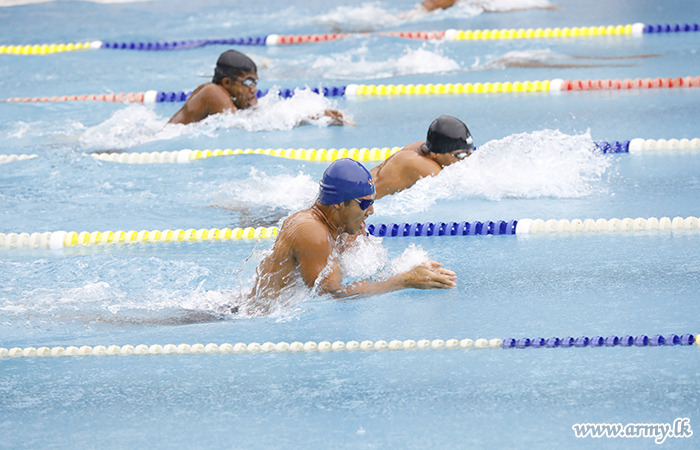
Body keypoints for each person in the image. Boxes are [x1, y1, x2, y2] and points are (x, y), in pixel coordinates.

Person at [245, 158, 456, 313]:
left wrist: (409, 267)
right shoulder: (310, 231)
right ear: (338, 203)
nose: (371, 211)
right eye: (364, 204)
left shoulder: (344, 228)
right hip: (246, 317)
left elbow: (367, 274)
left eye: (372, 202)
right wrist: (404, 280)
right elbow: (331, 294)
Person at [169, 49, 353, 125]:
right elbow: (243, 125)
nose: (254, 89)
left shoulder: (232, 97)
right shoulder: (213, 92)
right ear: (227, 83)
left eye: (255, 82)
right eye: (248, 82)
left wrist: (316, 115)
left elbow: (265, 115)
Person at [370, 115, 473, 199]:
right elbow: (462, 190)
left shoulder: (423, 148)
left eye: (470, 153)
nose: (466, 160)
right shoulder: (421, 165)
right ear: (436, 154)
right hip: (357, 204)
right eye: (460, 155)